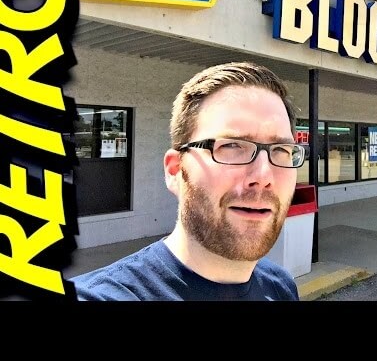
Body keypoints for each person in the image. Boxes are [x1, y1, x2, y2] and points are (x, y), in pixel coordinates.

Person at [70, 61, 305, 301]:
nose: (263, 176)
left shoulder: (281, 287)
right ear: (175, 171)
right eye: (232, 146)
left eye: (281, 150)